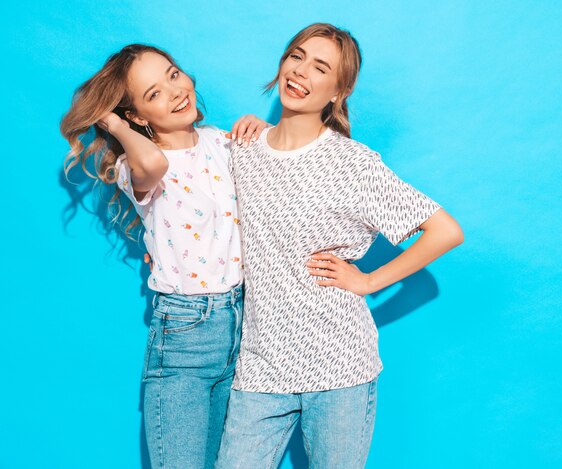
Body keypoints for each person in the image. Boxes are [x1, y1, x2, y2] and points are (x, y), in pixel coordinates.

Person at [216, 23, 464, 468]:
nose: (301, 72)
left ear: (338, 91)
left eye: (320, 67)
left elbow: (446, 230)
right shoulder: (242, 151)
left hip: (341, 367)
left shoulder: (353, 165)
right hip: (260, 367)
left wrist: (369, 281)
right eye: (296, 56)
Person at [60, 44, 267, 469]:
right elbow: (153, 161)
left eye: (174, 74)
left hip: (246, 328)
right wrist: (114, 123)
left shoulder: (220, 143)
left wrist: (259, 129)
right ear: (136, 116)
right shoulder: (133, 167)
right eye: (153, 94)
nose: (175, 92)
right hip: (184, 335)